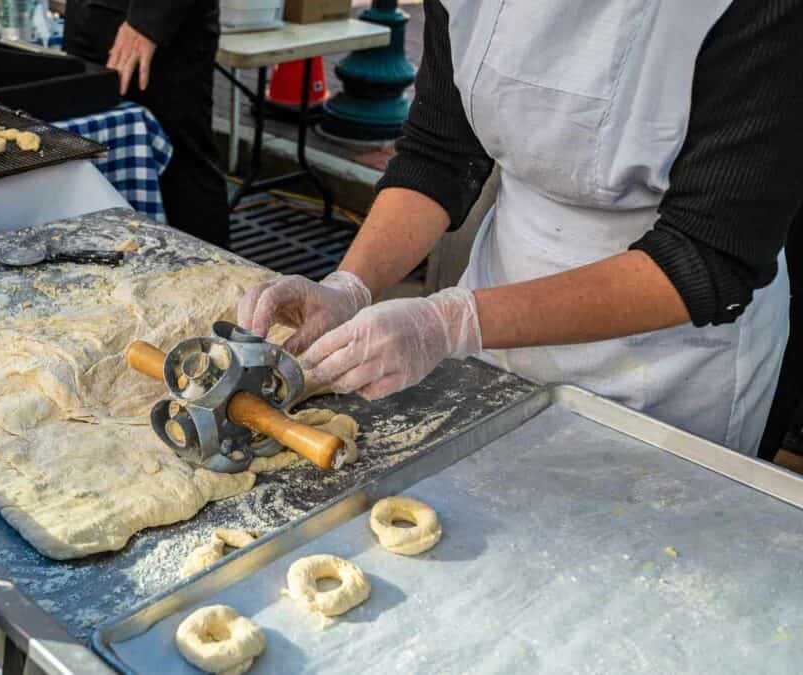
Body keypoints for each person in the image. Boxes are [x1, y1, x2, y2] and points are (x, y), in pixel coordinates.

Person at [238, 0, 803, 455]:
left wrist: (452, 321)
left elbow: (709, 256)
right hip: (503, 308)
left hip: (668, 362)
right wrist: (351, 286)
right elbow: (439, 150)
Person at [63, 0, 230, 248]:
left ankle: (215, 275)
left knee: (182, 160)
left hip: (156, 29)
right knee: (90, 161)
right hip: (87, 18)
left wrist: (148, 21)